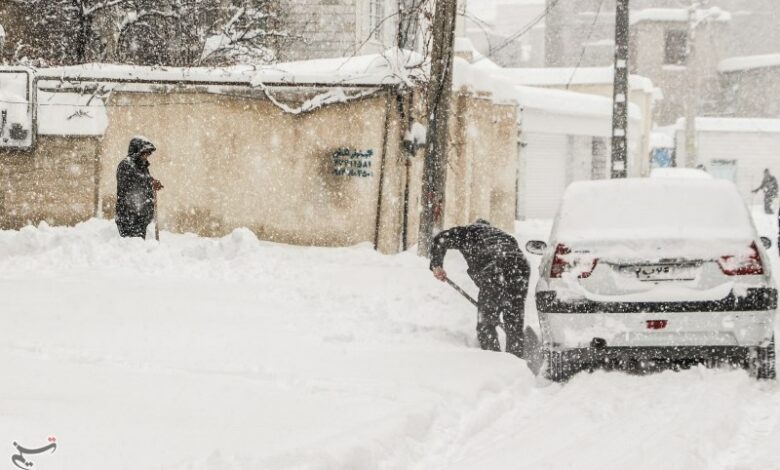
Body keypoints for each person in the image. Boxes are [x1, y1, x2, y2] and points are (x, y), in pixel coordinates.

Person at [430, 219, 530, 357]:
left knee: (486, 323)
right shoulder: (503, 235)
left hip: (493, 266)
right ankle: (516, 359)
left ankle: (493, 362)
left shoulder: (467, 232)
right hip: (520, 267)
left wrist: (436, 264)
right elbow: (510, 259)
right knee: (513, 319)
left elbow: (440, 238)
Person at [115, 136, 163, 238]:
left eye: (148, 153)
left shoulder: (142, 167)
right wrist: (149, 183)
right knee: (131, 246)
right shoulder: (126, 165)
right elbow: (131, 185)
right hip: (129, 217)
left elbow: (143, 179)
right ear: (137, 152)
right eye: (145, 153)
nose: (147, 156)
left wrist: (152, 181)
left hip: (141, 217)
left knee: (138, 247)